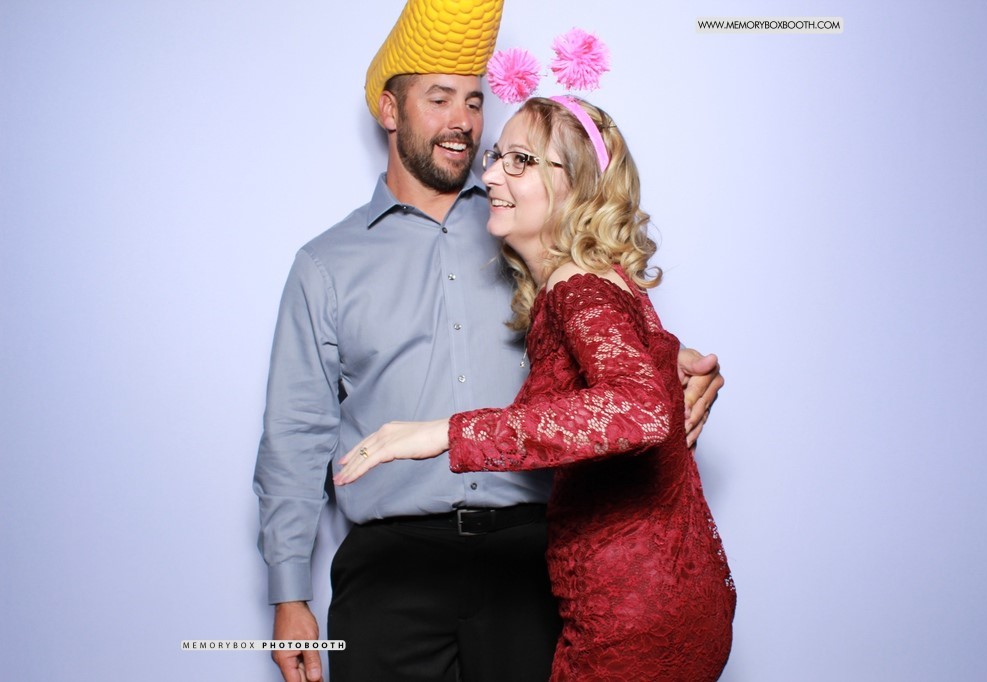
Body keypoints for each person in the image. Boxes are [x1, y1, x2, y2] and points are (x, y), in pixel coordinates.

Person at [254, 2, 724, 681]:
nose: (463, 122)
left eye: (475, 102)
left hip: (528, 561)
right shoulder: (326, 265)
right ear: (390, 111)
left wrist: (678, 367)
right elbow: (295, 433)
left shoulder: (529, 227)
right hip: (392, 567)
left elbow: (608, 349)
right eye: (439, 99)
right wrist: (288, 592)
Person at [335, 95, 736, 681]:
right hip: (667, 598)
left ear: (578, 186)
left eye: (520, 160)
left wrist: (446, 432)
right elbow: (642, 382)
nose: (492, 175)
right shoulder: (600, 281)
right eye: (497, 156)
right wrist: (682, 364)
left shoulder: (578, 285)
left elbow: (639, 411)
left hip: (634, 617)